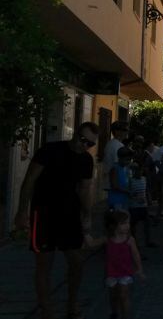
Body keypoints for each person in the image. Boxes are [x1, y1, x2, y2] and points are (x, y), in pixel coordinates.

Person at [14, 122, 98, 319]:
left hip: (70, 215)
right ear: (75, 134)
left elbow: (85, 190)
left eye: (90, 144)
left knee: (77, 261)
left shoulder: (86, 160)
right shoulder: (50, 150)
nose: (84, 145)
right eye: (82, 139)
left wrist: (87, 215)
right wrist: (21, 212)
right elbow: (29, 181)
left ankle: (72, 302)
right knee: (44, 264)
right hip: (43, 214)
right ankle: (47, 309)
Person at [103, 210, 145, 319]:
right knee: (113, 295)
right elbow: (91, 243)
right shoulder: (108, 239)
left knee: (123, 294)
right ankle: (114, 312)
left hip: (125, 271)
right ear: (114, 225)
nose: (127, 226)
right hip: (111, 272)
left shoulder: (130, 240)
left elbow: (136, 255)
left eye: (128, 223)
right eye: (123, 223)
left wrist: (139, 269)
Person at [128, 158, 154, 248]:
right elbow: (129, 192)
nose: (139, 172)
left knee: (147, 224)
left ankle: (148, 241)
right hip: (134, 206)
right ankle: (135, 242)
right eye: (137, 170)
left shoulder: (144, 179)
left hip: (143, 205)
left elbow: (146, 190)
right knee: (134, 225)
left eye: (140, 170)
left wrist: (149, 200)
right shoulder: (131, 180)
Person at [102, 121, 128, 192]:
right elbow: (118, 165)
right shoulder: (118, 146)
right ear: (117, 131)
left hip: (111, 183)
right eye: (124, 130)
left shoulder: (111, 143)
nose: (126, 132)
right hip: (116, 185)